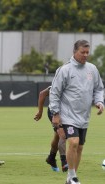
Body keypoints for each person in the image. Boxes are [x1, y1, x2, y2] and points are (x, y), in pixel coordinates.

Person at [49, 40, 104, 184]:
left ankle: (70, 179)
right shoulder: (65, 70)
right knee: (73, 142)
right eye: (82, 52)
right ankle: (73, 176)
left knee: (79, 147)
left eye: (87, 52)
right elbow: (55, 92)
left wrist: (99, 101)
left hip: (84, 116)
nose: (85, 55)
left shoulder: (92, 69)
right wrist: (55, 113)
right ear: (74, 52)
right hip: (67, 115)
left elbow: (99, 88)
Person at [34, 86, 68, 172]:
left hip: (67, 112)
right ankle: (64, 162)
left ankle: (51, 158)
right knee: (62, 134)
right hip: (54, 111)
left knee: (58, 136)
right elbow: (42, 94)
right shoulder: (58, 84)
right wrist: (40, 111)